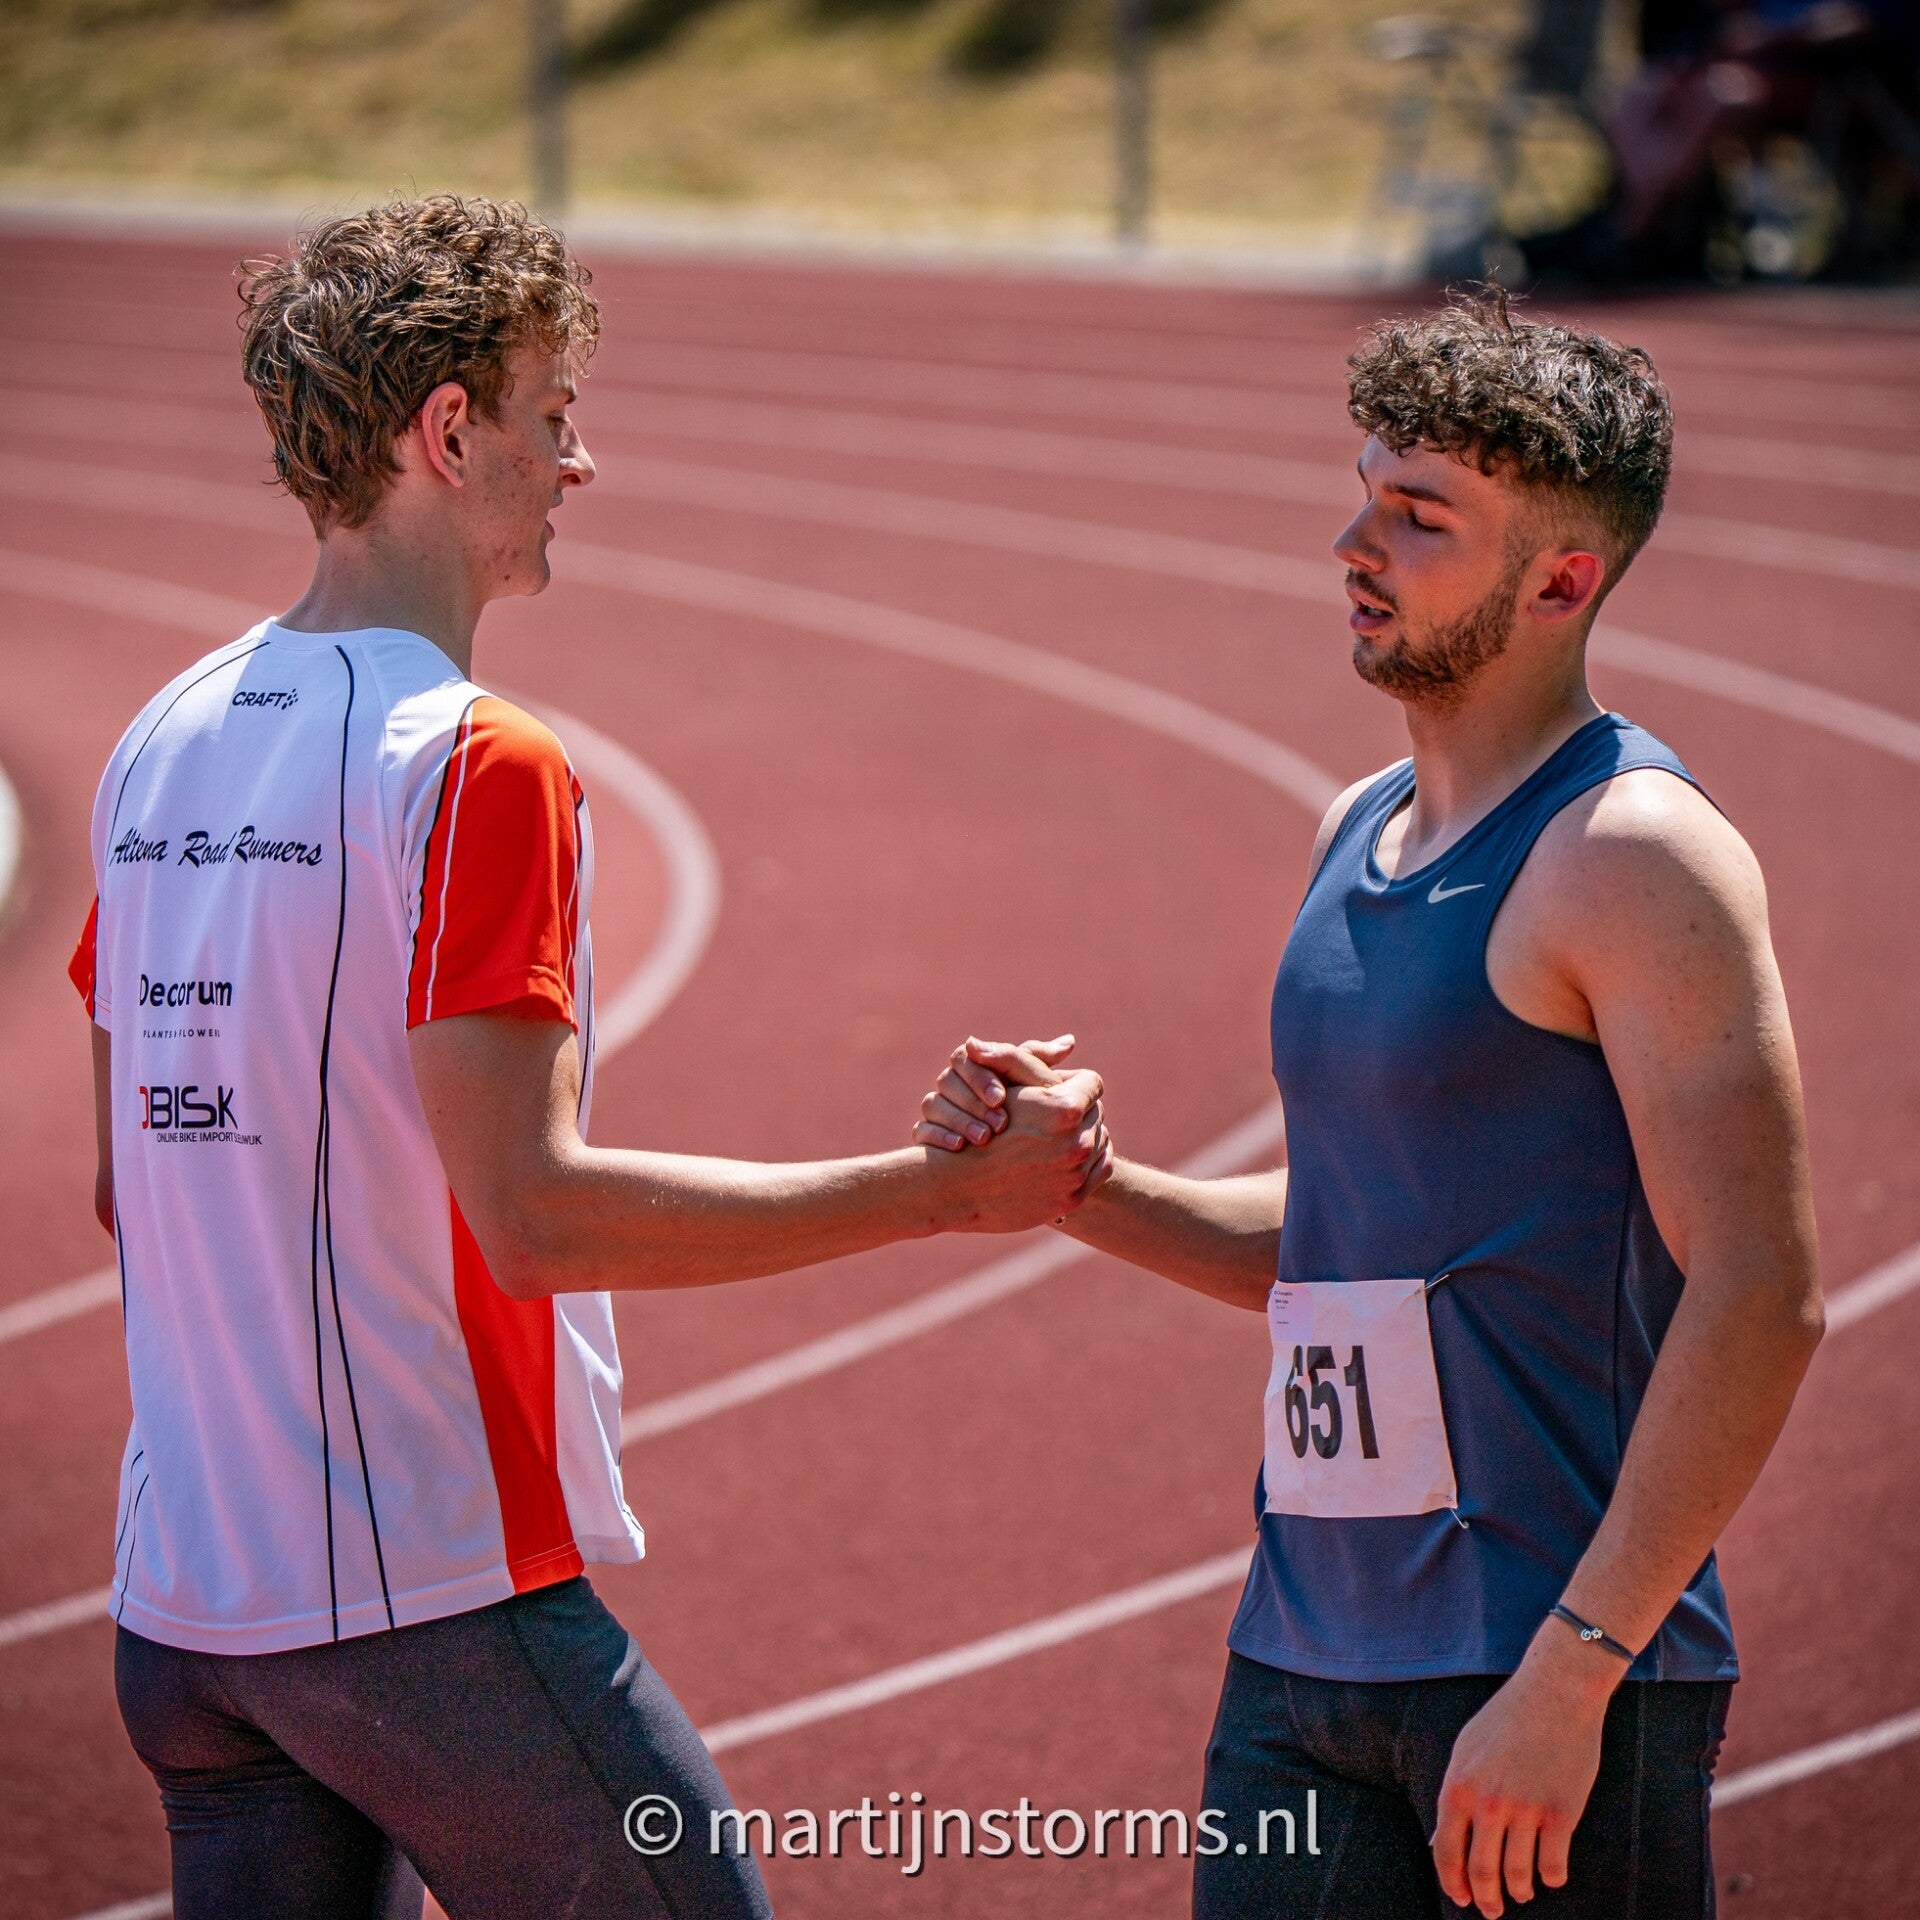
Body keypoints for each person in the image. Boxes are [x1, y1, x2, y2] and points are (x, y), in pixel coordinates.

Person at [70, 193, 1110, 1920]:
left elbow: (131, 1178)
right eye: (553, 415)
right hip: (414, 1600)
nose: (581, 461)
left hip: (184, 1610)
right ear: (447, 429)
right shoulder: (472, 760)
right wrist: (946, 1196)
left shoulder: (155, 740)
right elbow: (535, 1219)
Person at [918, 290, 1823, 1919]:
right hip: (1304, 1653)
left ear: (1561, 582)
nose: (1355, 544)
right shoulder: (1359, 824)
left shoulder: (1633, 856)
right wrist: (1082, 1183)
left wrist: (1577, 1672)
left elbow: (1761, 1291)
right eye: (1365, 495)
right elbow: (1357, 1237)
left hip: (1545, 1669)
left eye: (1420, 517)